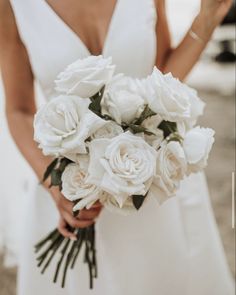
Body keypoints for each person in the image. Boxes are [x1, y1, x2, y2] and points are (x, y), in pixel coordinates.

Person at [0, 0, 234, 294]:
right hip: (75, 190)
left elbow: (160, 77)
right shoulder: (13, 5)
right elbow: (19, 109)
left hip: (155, 182)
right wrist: (56, 187)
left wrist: (210, 16)